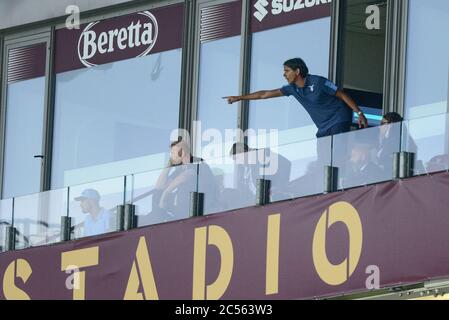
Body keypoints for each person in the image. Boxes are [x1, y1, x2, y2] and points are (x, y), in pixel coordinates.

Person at [224, 58, 368, 138]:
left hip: (338, 120)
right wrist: (239, 97)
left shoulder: (318, 82)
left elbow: (342, 94)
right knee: (323, 160)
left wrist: (359, 113)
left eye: (287, 71)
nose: (284, 74)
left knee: (337, 156)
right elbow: (265, 94)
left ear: (297, 71)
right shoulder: (292, 89)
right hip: (323, 127)